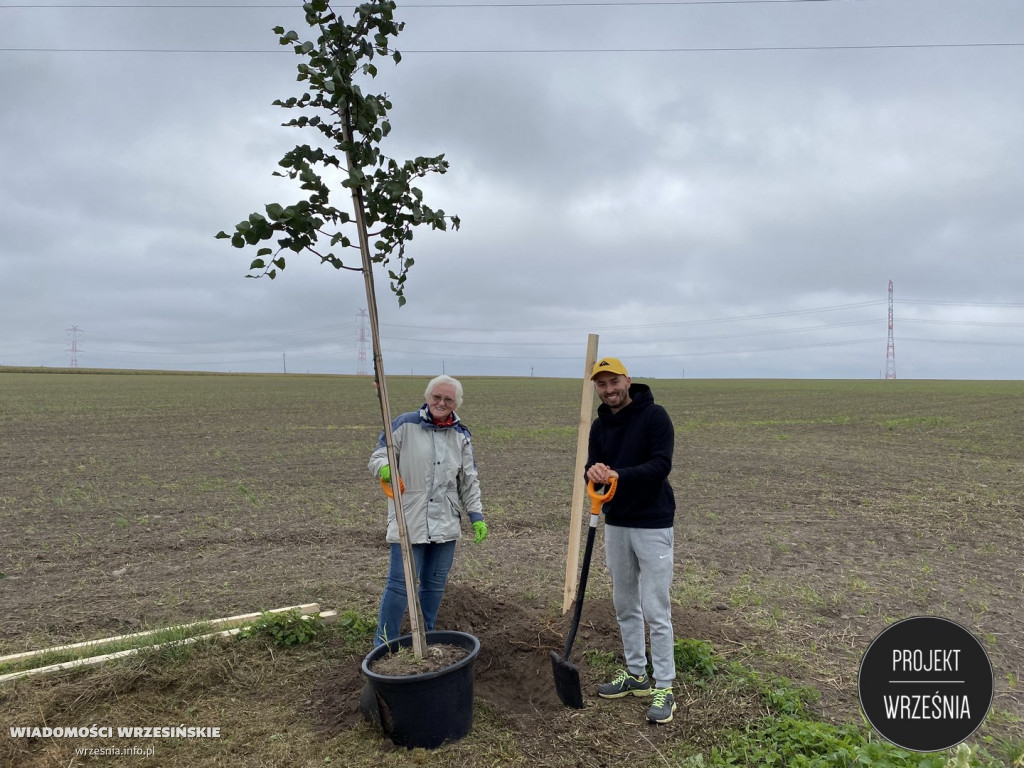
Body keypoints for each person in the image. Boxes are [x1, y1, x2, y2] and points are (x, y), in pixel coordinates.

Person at [585, 356, 677, 724]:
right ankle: (636, 675)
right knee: (624, 603)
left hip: (652, 522)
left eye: (614, 382)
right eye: (602, 385)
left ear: (627, 380)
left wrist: (619, 474)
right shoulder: (599, 425)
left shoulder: (655, 417)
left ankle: (665, 686)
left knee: (656, 608)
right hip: (617, 522)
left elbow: (661, 465)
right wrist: (593, 472)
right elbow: (593, 471)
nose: (609, 391)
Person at [368, 374, 488, 647]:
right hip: (409, 519)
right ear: (427, 397)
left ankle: (423, 638)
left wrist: (476, 516)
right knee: (400, 587)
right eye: (436, 397)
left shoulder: (461, 436)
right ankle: (383, 644)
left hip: (446, 522)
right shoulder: (404, 424)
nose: (441, 402)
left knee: (433, 587)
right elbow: (377, 457)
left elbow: (468, 480)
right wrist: (386, 468)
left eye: (448, 399)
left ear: (456, 403)